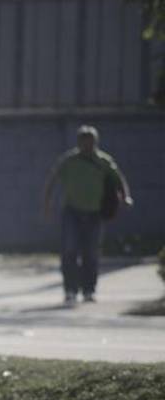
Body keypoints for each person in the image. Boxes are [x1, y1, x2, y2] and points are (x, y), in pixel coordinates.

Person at [42, 125, 133, 305]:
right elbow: (52, 180)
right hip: (72, 212)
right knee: (69, 251)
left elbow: (118, 179)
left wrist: (126, 197)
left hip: (94, 213)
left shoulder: (103, 161)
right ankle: (70, 290)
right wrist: (47, 203)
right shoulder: (69, 160)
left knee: (90, 253)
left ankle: (89, 290)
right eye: (83, 141)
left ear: (96, 142)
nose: (87, 145)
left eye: (90, 141)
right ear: (78, 143)